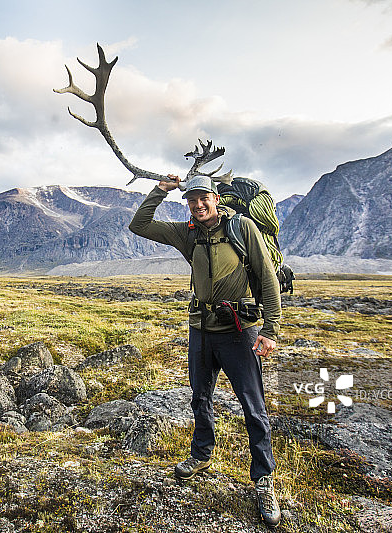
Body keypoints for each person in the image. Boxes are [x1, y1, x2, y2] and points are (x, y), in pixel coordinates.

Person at [128, 174, 282, 528]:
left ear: (215, 198)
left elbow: (267, 277)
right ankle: (201, 454)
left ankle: (263, 479)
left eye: (203, 199)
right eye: (191, 200)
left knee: (253, 406)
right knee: (200, 396)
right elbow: (139, 225)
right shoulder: (188, 233)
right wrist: (160, 191)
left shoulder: (242, 228)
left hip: (239, 331)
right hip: (201, 330)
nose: (197, 205)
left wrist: (271, 329)